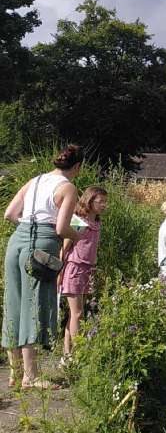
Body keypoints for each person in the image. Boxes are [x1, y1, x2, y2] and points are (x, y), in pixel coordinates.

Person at [2, 145, 87, 388]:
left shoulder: (35, 180)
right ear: (78, 167)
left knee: (14, 304)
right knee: (33, 305)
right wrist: (79, 236)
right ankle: (31, 376)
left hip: (17, 241)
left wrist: (28, 227)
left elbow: (10, 213)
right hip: (42, 245)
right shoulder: (68, 187)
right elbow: (62, 228)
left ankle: (15, 373)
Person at [59, 186, 107, 360]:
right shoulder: (78, 221)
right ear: (89, 201)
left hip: (87, 269)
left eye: (105, 201)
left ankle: (67, 356)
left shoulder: (96, 223)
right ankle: (78, 354)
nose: (104, 205)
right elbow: (65, 248)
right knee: (77, 313)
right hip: (74, 268)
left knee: (75, 314)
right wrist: (59, 272)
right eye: (100, 201)